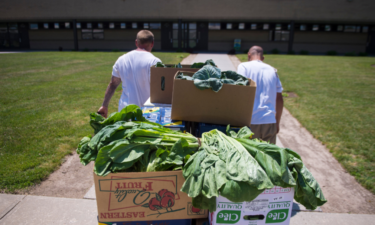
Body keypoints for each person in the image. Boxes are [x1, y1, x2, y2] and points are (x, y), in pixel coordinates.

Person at [97, 30, 161, 118]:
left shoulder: (121, 59)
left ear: (136, 42)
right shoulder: (155, 62)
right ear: (152, 43)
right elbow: (160, 90)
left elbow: (113, 84)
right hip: (147, 114)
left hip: (125, 113)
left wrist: (104, 105)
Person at [237, 46, 283, 144]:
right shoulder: (272, 70)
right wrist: (277, 122)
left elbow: (240, 92)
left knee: (249, 157)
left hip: (250, 121)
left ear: (249, 55)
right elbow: (279, 99)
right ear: (262, 58)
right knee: (269, 157)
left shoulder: (243, 67)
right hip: (269, 121)